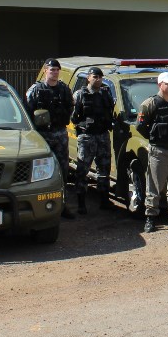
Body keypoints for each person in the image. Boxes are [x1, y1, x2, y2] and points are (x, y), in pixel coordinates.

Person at [136, 72, 168, 233]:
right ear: (160, 85)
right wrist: (155, 138)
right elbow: (140, 126)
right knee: (154, 186)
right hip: (159, 151)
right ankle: (151, 218)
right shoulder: (150, 103)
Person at [26, 59, 76, 219]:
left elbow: (70, 107)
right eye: (52, 69)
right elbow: (27, 110)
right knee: (40, 170)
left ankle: (62, 205)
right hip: (42, 135)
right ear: (46, 71)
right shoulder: (35, 90)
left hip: (60, 133)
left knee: (62, 169)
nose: (54, 72)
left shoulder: (64, 89)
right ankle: (40, 205)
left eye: (57, 70)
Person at [71, 67, 116, 214]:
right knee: (82, 170)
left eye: (100, 77)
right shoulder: (79, 95)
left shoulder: (105, 93)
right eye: (95, 76)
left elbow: (111, 112)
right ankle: (81, 204)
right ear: (88, 78)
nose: (98, 79)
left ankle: (104, 200)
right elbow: (74, 118)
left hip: (103, 135)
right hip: (87, 136)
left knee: (104, 169)